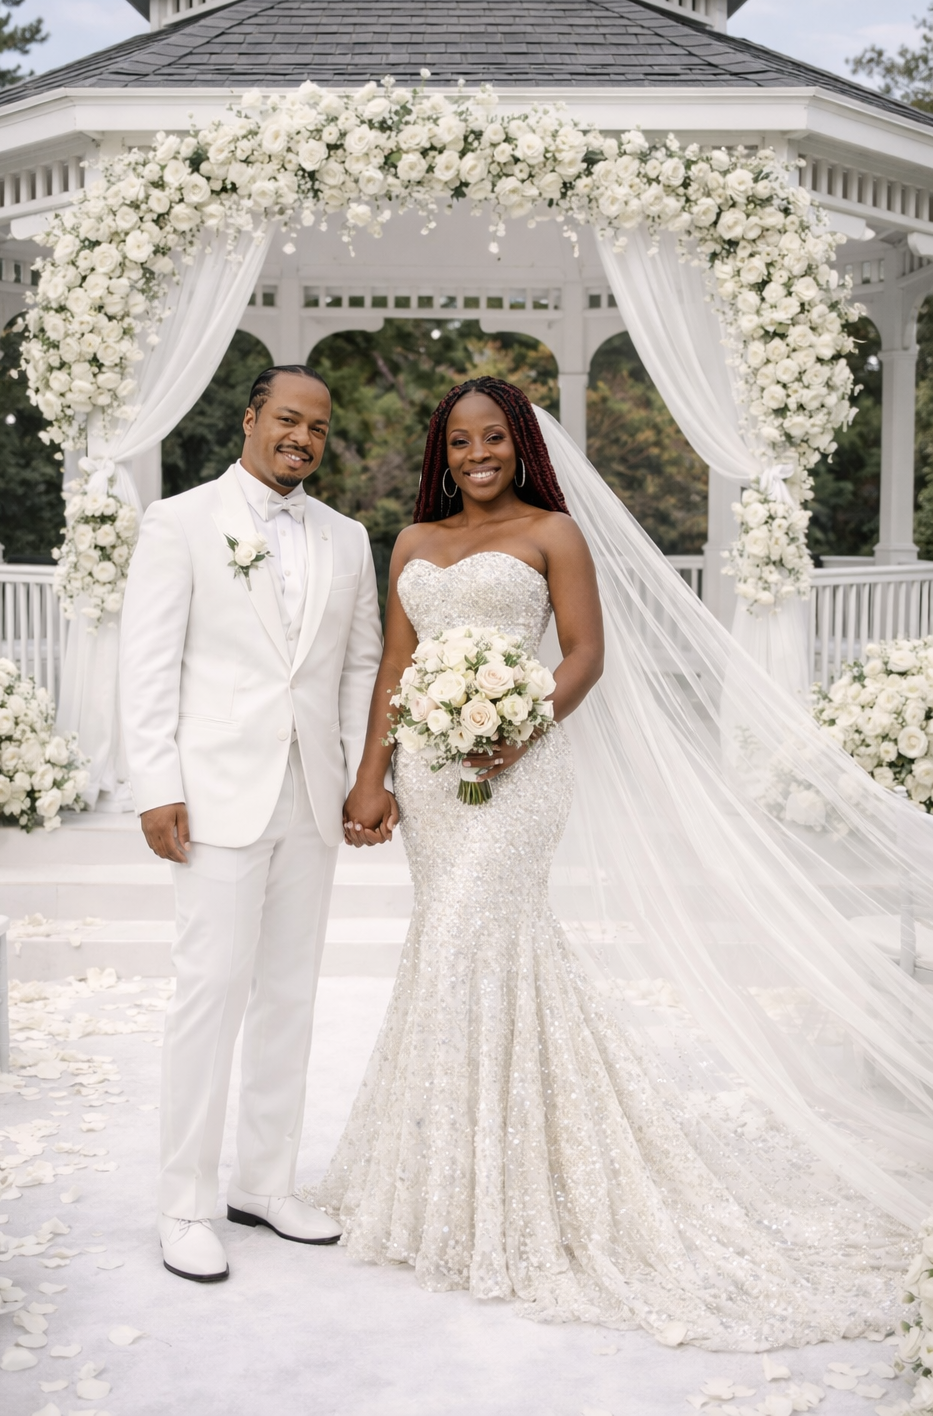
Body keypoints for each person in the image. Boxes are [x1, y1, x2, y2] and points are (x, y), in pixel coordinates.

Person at [312, 376, 933, 1350]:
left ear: (519, 445)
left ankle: (510, 1185)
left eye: (494, 438)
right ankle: (446, 1177)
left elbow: (584, 654)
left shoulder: (553, 532)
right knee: (446, 949)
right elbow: (396, 668)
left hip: (518, 774)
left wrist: (519, 729)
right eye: (460, 440)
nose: (477, 454)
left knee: (475, 942)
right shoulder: (411, 544)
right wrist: (371, 779)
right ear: (442, 452)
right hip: (432, 781)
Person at [119, 364, 385, 1283]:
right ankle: (184, 1202)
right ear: (250, 419)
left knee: (290, 996)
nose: (300, 439)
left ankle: (264, 1182)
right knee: (210, 994)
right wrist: (156, 783)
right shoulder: (181, 522)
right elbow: (148, 662)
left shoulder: (349, 539)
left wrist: (357, 779)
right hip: (214, 795)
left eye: (315, 427)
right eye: (285, 420)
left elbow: (359, 668)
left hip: (311, 795)